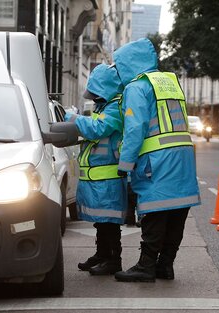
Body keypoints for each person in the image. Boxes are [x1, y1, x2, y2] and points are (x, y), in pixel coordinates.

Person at [112, 38, 201, 282]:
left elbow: (135, 129)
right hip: (183, 157)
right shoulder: (169, 81)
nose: (118, 72)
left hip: (157, 160)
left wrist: (125, 165)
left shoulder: (137, 87)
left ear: (129, 64)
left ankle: (146, 266)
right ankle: (165, 265)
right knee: (177, 211)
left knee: (155, 211)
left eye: (119, 66)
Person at [65, 63, 127, 275]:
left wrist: (71, 118)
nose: (93, 99)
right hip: (100, 176)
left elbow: (97, 128)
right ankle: (102, 254)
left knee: (109, 221)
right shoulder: (105, 105)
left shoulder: (116, 107)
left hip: (109, 176)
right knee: (102, 221)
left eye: (96, 94)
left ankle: (113, 260)